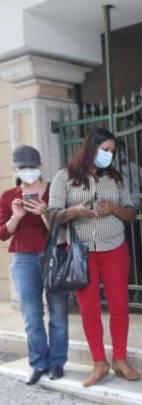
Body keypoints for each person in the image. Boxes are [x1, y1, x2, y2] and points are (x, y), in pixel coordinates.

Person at [48, 128, 141, 388]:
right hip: (82, 252)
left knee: (120, 305)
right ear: (91, 148)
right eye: (105, 150)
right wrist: (74, 210)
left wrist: (115, 209)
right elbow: (52, 215)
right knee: (89, 309)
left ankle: (120, 359)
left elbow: (132, 212)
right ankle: (99, 362)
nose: (109, 155)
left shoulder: (115, 179)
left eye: (112, 151)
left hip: (115, 249)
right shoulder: (64, 178)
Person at [0, 146, 69, 385]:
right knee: (31, 315)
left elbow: (63, 230)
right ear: (15, 170)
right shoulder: (9, 196)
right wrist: (16, 216)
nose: (28, 171)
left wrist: (44, 212)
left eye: (32, 167)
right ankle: (39, 363)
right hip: (23, 260)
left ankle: (57, 362)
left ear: (40, 167)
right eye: (22, 168)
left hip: (54, 256)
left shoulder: (54, 191)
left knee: (58, 312)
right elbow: (2, 234)